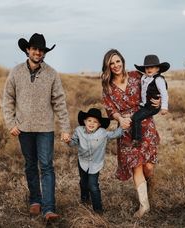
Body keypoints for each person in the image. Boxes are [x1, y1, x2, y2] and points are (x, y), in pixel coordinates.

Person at [2, 33, 70, 221]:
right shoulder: (16, 72)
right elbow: (8, 98)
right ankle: (35, 200)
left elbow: (59, 102)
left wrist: (65, 127)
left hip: (45, 129)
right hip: (23, 128)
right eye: (34, 49)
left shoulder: (51, 74)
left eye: (41, 50)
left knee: (47, 166)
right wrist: (11, 123)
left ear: (44, 53)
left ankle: (49, 208)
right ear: (28, 50)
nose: (38, 52)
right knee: (30, 165)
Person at [101, 49, 161, 218]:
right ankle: (144, 206)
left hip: (144, 122)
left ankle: (149, 183)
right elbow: (109, 108)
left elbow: (155, 85)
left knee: (148, 166)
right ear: (108, 66)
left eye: (117, 61)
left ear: (123, 61)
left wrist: (159, 100)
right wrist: (119, 119)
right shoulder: (107, 85)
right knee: (136, 165)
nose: (115, 65)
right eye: (111, 63)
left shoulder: (136, 75)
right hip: (126, 127)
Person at [66, 108, 125, 214]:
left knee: (93, 185)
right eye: (89, 120)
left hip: (95, 163)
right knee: (83, 182)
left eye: (95, 122)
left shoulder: (102, 133)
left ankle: (98, 210)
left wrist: (123, 125)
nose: (91, 123)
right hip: (82, 161)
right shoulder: (79, 130)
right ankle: (85, 200)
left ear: (99, 124)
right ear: (84, 121)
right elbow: (73, 143)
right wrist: (68, 140)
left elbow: (115, 134)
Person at [131, 54, 170, 146]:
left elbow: (164, 93)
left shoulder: (158, 79)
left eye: (151, 67)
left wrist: (164, 107)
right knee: (136, 114)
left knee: (136, 117)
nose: (149, 69)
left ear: (158, 69)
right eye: (146, 67)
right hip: (145, 104)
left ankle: (136, 139)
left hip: (152, 106)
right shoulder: (144, 77)